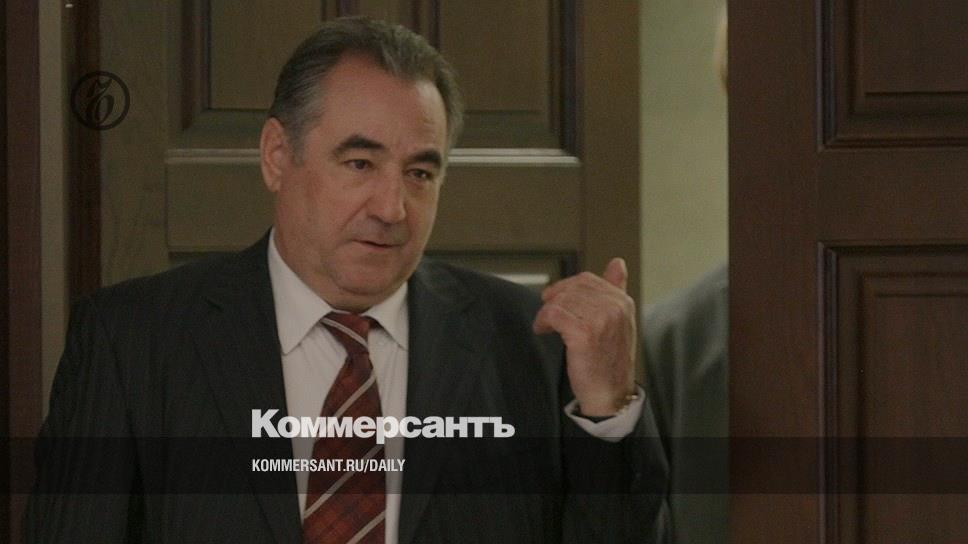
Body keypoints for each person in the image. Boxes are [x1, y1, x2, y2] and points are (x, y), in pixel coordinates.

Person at [26, 17, 669, 543]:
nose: (392, 208)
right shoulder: (132, 344)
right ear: (277, 156)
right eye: (360, 162)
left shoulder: (530, 344)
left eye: (420, 174)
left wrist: (607, 413)